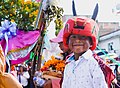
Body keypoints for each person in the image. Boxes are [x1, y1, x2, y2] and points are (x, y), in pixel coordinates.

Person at [62, 17, 108, 88]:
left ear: (91, 42)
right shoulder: (68, 65)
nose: (77, 40)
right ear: (67, 41)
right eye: (73, 37)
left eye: (83, 37)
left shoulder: (94, 64)